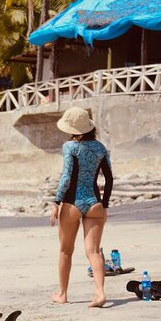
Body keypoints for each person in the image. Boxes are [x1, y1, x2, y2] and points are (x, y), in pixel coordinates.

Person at [50, 107, 113, 308]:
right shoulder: (100, 148)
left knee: (65, 251)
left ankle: (62, 294)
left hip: (72, 204)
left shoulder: (70, 147)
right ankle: (100, 293)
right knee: (93, 251)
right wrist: (104, 205)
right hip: (94, 203)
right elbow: (109, 178)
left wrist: (56, 202)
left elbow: (67, 177)